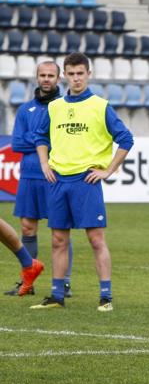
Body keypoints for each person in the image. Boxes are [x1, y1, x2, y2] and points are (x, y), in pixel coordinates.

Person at [31, 52, 134, 311]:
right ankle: (57, 296)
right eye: (71, 74)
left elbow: (126, 139)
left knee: (96, 239)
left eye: (80, 73)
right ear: (64, 75)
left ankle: (106, 297)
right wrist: (45, 163)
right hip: (58, 181)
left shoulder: (100, 106)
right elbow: (40, 137)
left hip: (86, 182)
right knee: (57, 239)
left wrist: (108, 170)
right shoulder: (54, 107)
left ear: (89, 74)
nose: (76, 79)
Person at [5, 61, 74, 297]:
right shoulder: (25, 110)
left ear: (58, 78)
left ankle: (64, 282)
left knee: (60, 231)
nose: (46, 79)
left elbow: (60, 143)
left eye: (51, 75)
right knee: (27, 227)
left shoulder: (65, 108)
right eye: (42, 75)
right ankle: (29, 280)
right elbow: (16, 144)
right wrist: (41, 140)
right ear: (37, 77)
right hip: (29, 176)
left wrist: (34, 140)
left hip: (55, 174)